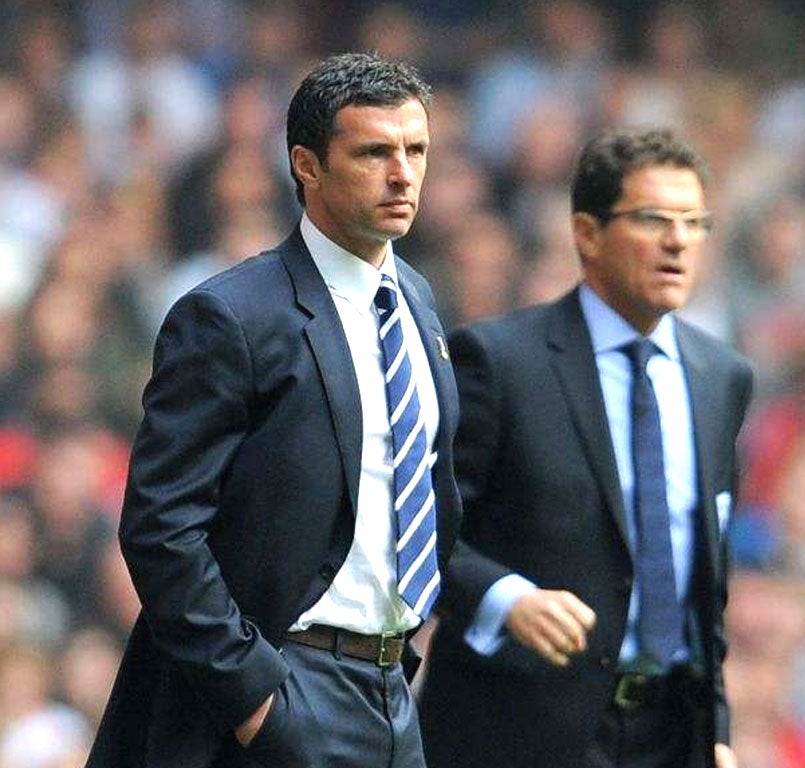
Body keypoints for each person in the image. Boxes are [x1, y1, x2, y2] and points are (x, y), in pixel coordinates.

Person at [85, 52, 462, 768]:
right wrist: (255, 699)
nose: (403, 173)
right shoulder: (230, 316)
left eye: (416, 150)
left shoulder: (418, 299)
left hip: (389, 691)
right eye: (374, 151)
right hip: (279, 689)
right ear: (307, 166)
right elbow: (161, 527)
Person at [419, 128, 752, 768]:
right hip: (519, 730)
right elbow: (421, 527)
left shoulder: (722, 379)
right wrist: (504, 597)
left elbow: (705, 574)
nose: (678, 241)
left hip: (670, 734)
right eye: (653, 219)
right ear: (587, 233)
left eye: (694, 222)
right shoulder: (500, 362)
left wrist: (717, 725)